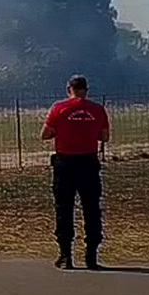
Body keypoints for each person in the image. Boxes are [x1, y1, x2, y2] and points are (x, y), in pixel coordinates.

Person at [41, 75, 111, 270]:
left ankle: (65, 256)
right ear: (86, 90)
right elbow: (104, 137)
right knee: (91, 208)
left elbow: (45, 134)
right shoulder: (97, 109)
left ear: (68, 89)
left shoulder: (59, 108)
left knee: (64, 208)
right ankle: (91, 256)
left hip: (65, 163)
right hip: (88, 162)